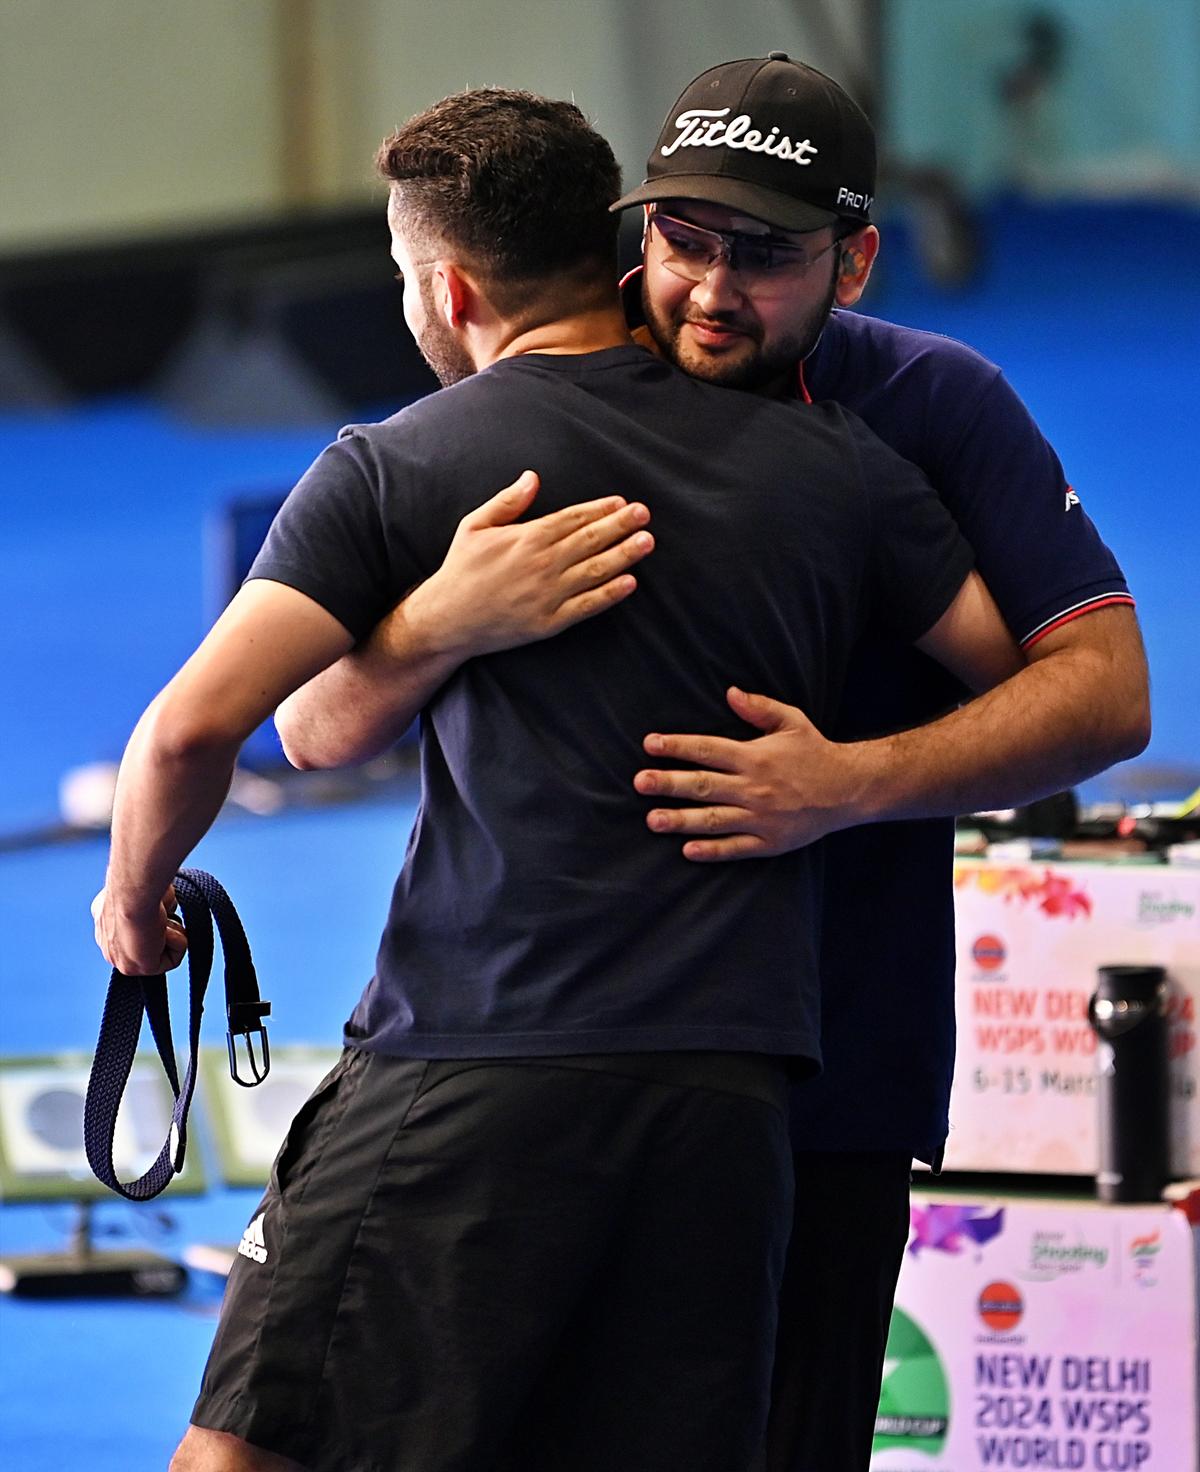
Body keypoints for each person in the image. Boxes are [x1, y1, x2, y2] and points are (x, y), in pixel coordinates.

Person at [92, 88, 1021, 1472]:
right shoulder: (839, 468)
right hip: (731, 1105)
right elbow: (1019, 681)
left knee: (241, 1454)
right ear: (620, 244)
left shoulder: (404, 462)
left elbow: (195, 735)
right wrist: (846, 773)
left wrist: (133, 894)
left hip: (473, 1066)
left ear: (445, 286)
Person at [276, 57, 1150, 1472]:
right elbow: (313, 726)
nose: (709, 292)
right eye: (683, 239)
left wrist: (848, 783)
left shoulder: (926, 408)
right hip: (530, 1069)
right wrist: (437, 624)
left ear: (855, 262)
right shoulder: (533, 384)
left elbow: (1106, 695)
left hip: (827, 1075)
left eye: (769, 258)